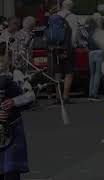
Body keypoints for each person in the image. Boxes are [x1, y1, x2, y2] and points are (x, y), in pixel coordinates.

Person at [0, 41, 34, 180]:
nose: (3, 60)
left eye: (5, 56)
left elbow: (30, 95)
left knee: (11, 172)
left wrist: (14, 101)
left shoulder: (16, 74)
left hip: (12, 127)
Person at [48, 0, 76, 104]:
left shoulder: (52, 19)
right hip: (66, 49)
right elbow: (74, 34)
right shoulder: (71, 17)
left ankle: (58, 96)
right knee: (69, 73)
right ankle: (65, 96)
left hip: (55, 49)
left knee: (57, 73)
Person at [87, 14, 104, 101]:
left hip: (91, 52)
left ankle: (90, 93)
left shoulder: (90, 31)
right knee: (97, 74)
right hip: (99, 52)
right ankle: (95, 93)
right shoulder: (101, 32)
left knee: (92, 74)